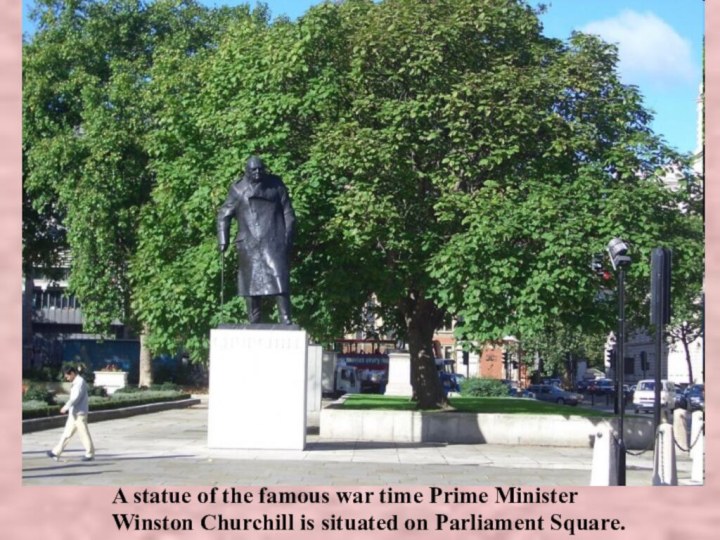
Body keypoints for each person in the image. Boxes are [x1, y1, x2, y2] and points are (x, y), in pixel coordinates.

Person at [217, 155, 296, 324]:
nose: (258, 172)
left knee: (279, 277)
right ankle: (254, 320)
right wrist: (223, 239)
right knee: (251, 284)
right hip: (249, 243)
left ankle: (285, 318)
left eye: (260, 169)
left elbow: (288, 212)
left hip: (274, 239)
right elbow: (224, 215)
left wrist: (287, 237)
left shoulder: (276, 185)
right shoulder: (238, 190)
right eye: (253, 170)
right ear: (247, 171)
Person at [47, 366, 95, 462]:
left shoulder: (79, 382)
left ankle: (90, 454)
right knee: (66, 433)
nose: (67, 378)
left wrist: (65, 407)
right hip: (74, 413)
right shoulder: (76, 382)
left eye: (68, 376)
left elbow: (75, 398)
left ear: (72, 373)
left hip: (79, 413)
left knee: (83, 434)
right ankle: (56, 452)